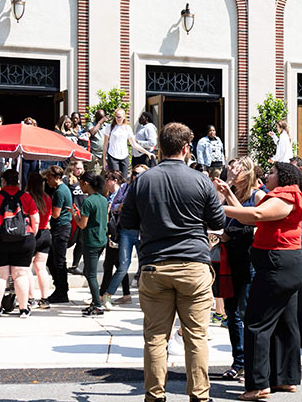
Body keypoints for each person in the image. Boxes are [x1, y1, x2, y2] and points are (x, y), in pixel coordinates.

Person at [120, 123, 226, 402]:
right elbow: (218, 222)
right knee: (196, 336)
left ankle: (155, 395)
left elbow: (127, 222)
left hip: (155, 264)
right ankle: (199, 395)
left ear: (160, 148)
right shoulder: (200, 180)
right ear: (186, 148)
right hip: (194, 264)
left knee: (156, 336)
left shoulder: (142, 180)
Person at [213, 162, 302, 400]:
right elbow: (249, 220)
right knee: (285, 322)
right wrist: (229, 195)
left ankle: (258, 385)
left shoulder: (286, 195)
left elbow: (256, 214)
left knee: (256, 323)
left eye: (273, 172)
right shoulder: (278, 196)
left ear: (284, 176)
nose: (268, 175)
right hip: (283, 265)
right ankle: (285, 379)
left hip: (278, 266)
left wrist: (217, 208)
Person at [218, 157, 265, 381]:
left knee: (246, 312)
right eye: (231, 169)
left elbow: (255, 224)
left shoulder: (258, 196)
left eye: (236, 169)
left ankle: (251, 362)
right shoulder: (232, 194)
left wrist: (232, 233)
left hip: (249, 261)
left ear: (248, 173)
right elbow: (216, 214)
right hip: (230, 259)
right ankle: (239, 361)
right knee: (231, 312)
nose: (232, 172)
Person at [0, 169, 40, 318]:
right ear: (17, 181)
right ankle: (23, 309)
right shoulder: (26, 197)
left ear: (3, 181)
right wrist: (31, 234)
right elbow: (36, 219)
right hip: (24, 239)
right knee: (21, 274)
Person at [74, 171, 111, 316]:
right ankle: (95, 302)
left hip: (91, 241)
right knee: (89, 272)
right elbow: (106, 220)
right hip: (101, 239)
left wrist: (75, 214)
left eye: (81, 183)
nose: (80, 186)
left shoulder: (88, 201)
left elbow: (82, 224)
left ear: (86, 183)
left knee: (90, 274)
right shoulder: (102, 199)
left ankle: (97, 304)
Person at [100, 170, 132, 309]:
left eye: (108, 179)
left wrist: (114, 208)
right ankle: (126, 294)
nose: (106, 181)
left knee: (109, 265)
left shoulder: (121, 192)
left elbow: (117, 208)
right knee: (119, 265)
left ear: (115, 180)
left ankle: (102, 294)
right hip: (114, 231)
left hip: (117, 232)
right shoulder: (112, 195)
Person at [43, 165, 75, 303]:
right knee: (53, 260)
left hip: (61, 228)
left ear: (57, 177)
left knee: (59, 261)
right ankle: (59, 288)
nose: (48, 181)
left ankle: (62, 291)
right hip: (61, 227)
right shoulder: (61, 189)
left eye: (49, 178)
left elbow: (55, 214)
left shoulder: (60, 192)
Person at [26, 171, 54, 309]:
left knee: (28, 268)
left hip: (32, 233)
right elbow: (49, 216)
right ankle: (45, 298)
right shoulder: (47, 198)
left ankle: (31, 298)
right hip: (45, 233)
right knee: (41, 267)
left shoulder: (27, 197)